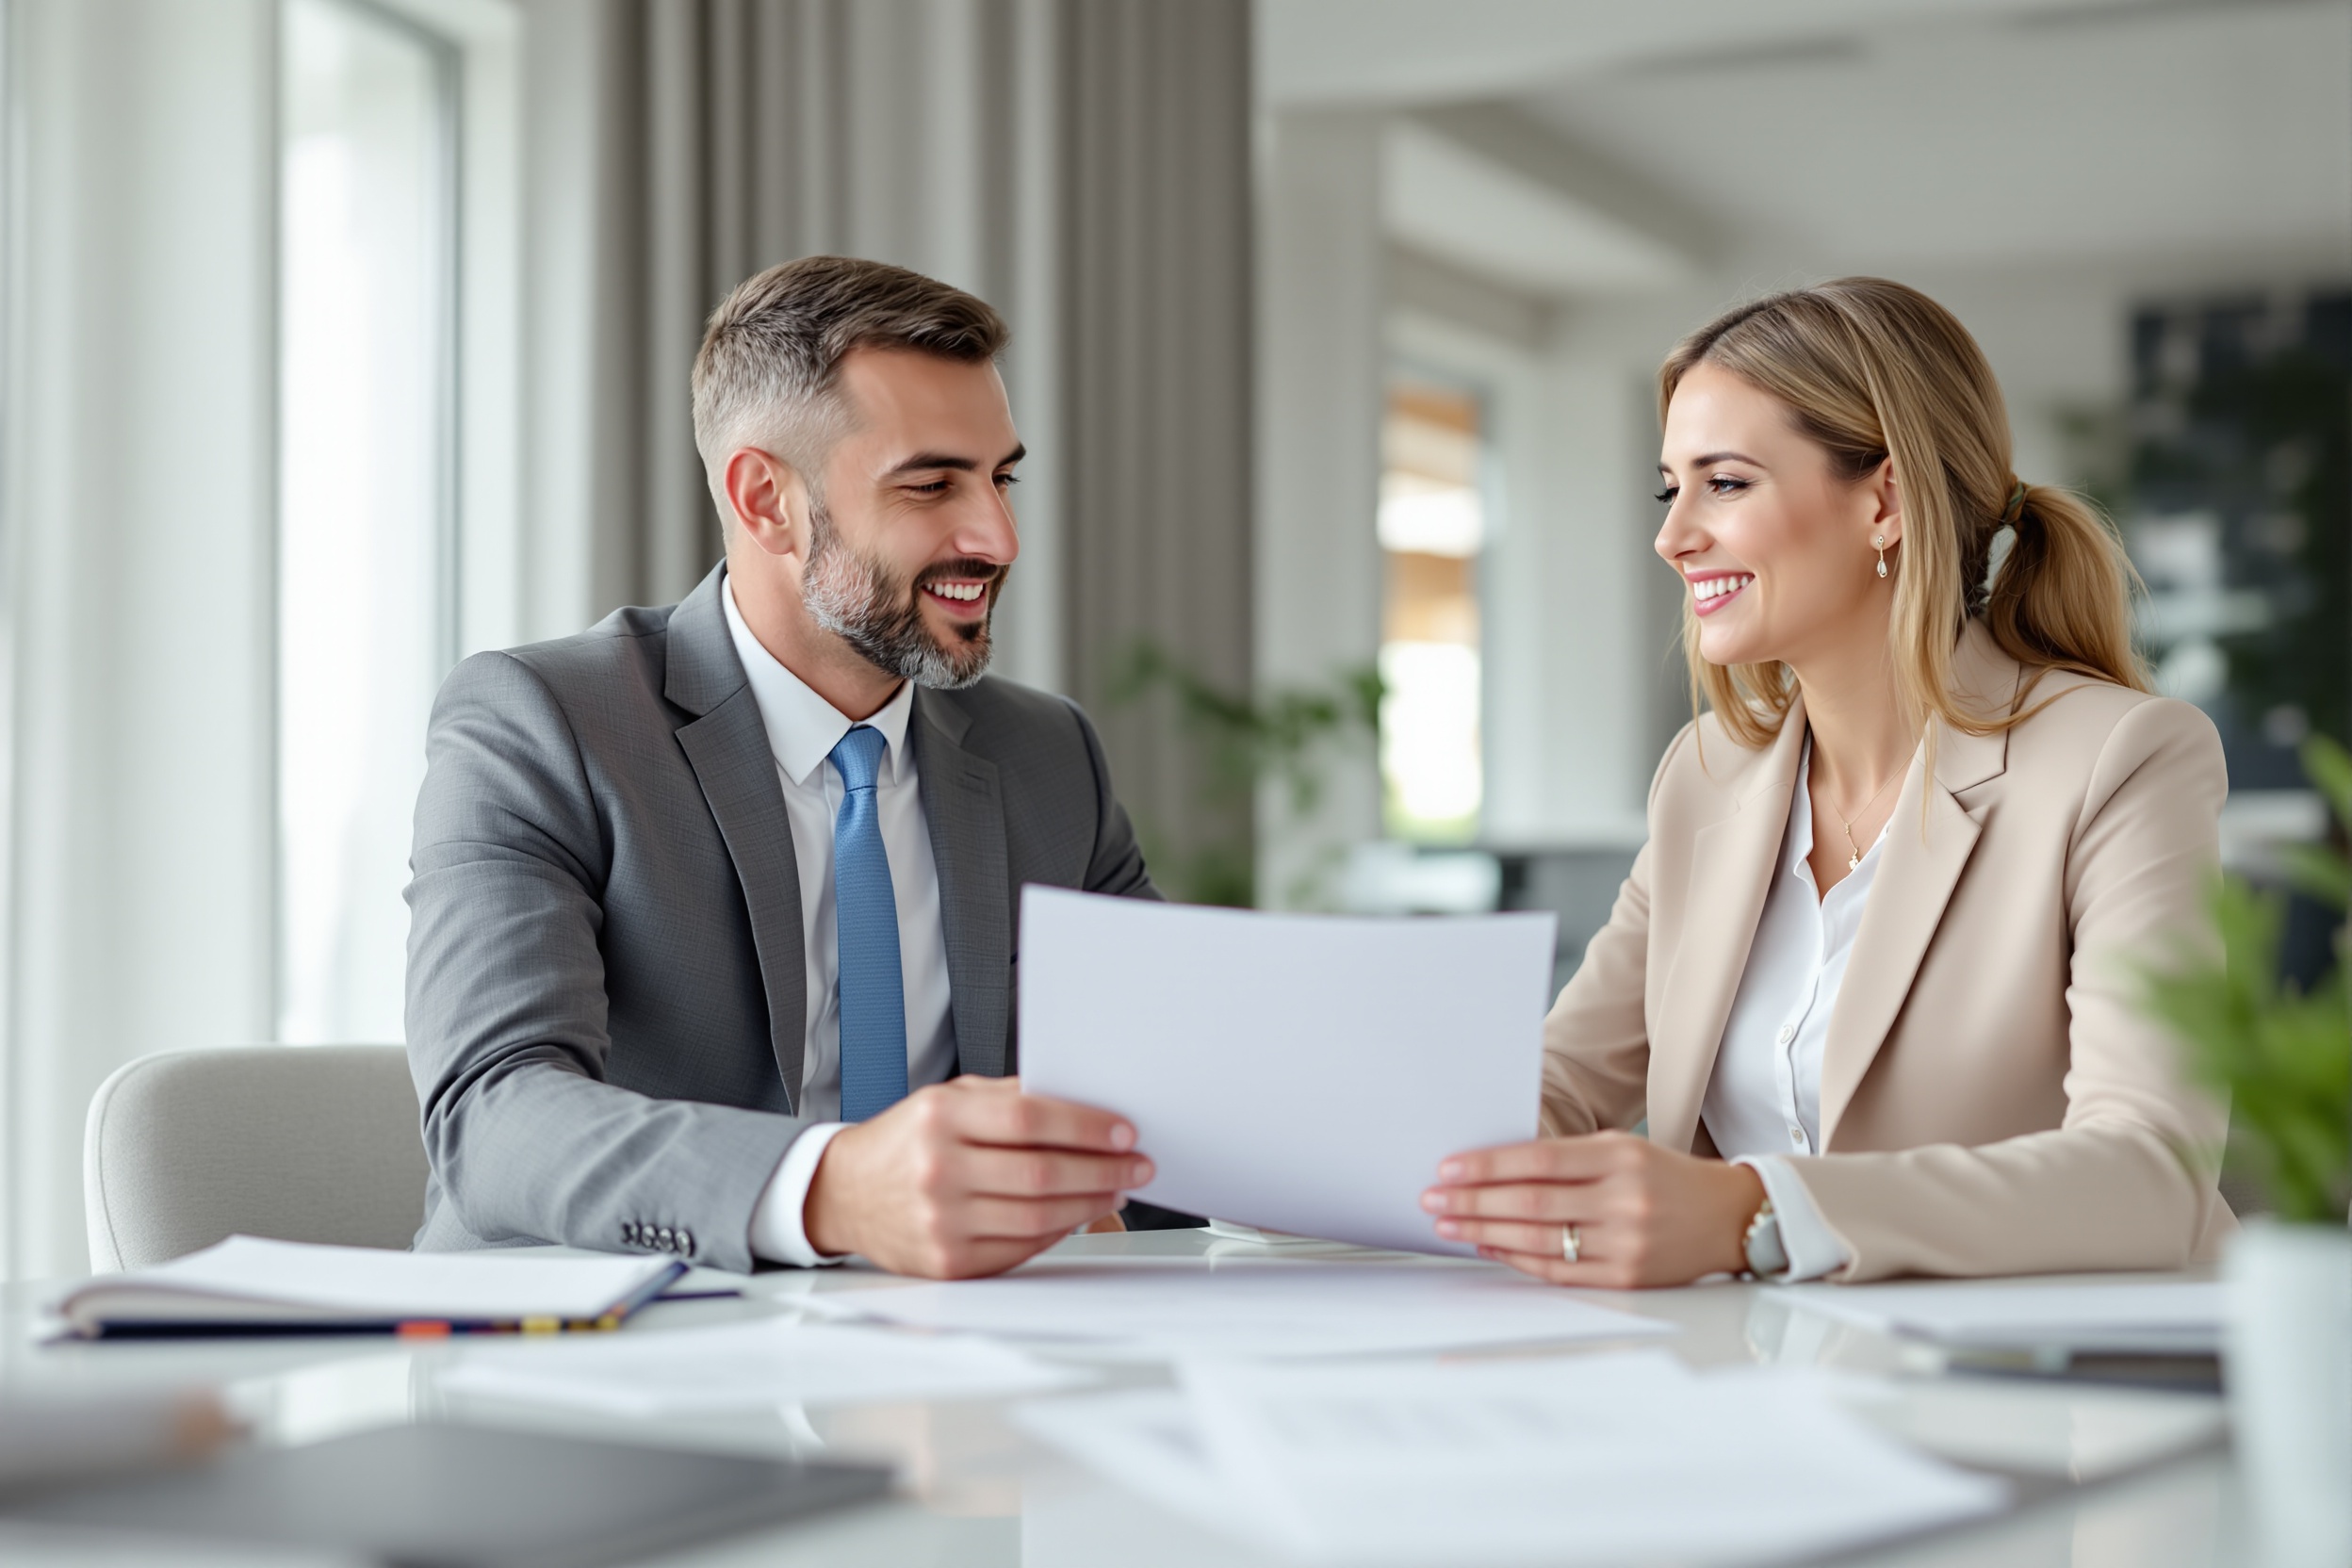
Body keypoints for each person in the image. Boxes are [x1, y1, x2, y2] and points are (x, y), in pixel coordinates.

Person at [1423, 277, 2233, 1286]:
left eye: (1724, 483)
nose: (1674, 537)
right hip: (1749, 1388)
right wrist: (1234, 1132)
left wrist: (1752, 1211)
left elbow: (2150, 1171)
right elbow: (1553, 1084)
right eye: (1671, 488)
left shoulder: (2121, 758)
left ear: (1884, 501)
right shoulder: (1707, 778)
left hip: (2031, 1403)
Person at [406, 255, 1174, 1279]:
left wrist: (1436, 1181)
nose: (998, 534)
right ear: (766, 499)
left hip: (959, 1367)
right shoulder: (542, 724)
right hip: (597, 1367)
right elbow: (493, 1117)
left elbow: (1182, 1088)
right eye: (932, 483)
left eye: (1001, 477)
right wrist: (838, 1187)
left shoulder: (1048, 755)